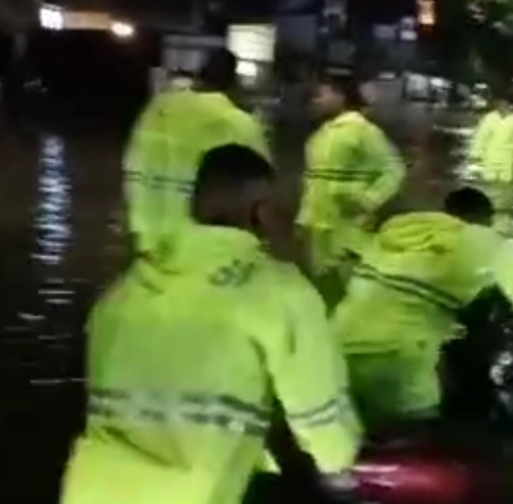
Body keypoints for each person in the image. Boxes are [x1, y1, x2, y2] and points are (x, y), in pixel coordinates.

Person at [60, 145, 361, 504]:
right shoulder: (279, 292)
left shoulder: (121, 293)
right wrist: (340, 471)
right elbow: (321, 418)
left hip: (92, 490)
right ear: (262, 213)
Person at [332, 187, 513, 424]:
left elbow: (345, 248)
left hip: (335, 349)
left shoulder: (397, 231)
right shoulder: (490, 243)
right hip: (400, 362)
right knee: (415, 430)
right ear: (485, 220)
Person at [123, 48, 271, 256]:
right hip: (206, 250)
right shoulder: (240, 124)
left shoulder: (155, 112)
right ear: (233, 82)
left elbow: (133, 168)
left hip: (149, 240)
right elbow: (261, 192)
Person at [297, 75, 405, 278]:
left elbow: (394, 171)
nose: (315, 101)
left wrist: (368, 201)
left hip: (349, 227)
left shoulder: (364, 131)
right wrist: (303, 220)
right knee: (322, 286)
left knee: (349, 285)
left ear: (341, 96)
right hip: (318, 229)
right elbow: (312, 181)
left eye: (322, 95)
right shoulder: (320, 134)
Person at [468, 96, 513, 222]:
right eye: (499, 104)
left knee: (506, 185)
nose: (501, 107)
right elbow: (480, 137)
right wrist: (475, 155)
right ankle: (488, 209)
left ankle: (503, 210)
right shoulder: (489, 119)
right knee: (489, 183)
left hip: (508, 158)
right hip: (490, 156)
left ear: (509, 105)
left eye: (504, 104)